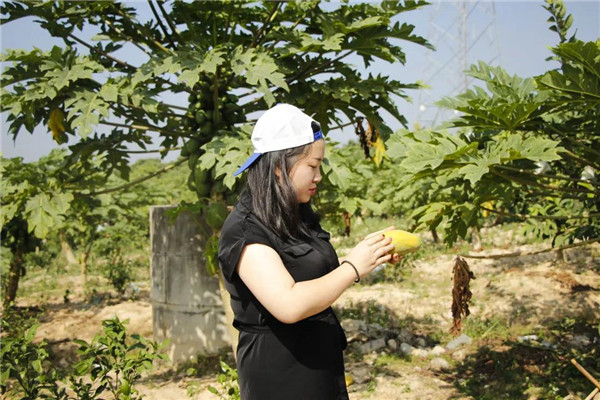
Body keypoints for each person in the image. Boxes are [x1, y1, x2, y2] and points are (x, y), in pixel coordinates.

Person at [218, 103, 399, 400]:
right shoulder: (245, 229)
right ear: (278, 166)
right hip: (282, 374)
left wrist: (369, 256)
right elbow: (288, 304)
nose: (319, 176)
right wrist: (352, 268)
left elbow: (312, 273)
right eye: (312, 166)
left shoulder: (294, 212)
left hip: (319, 363)